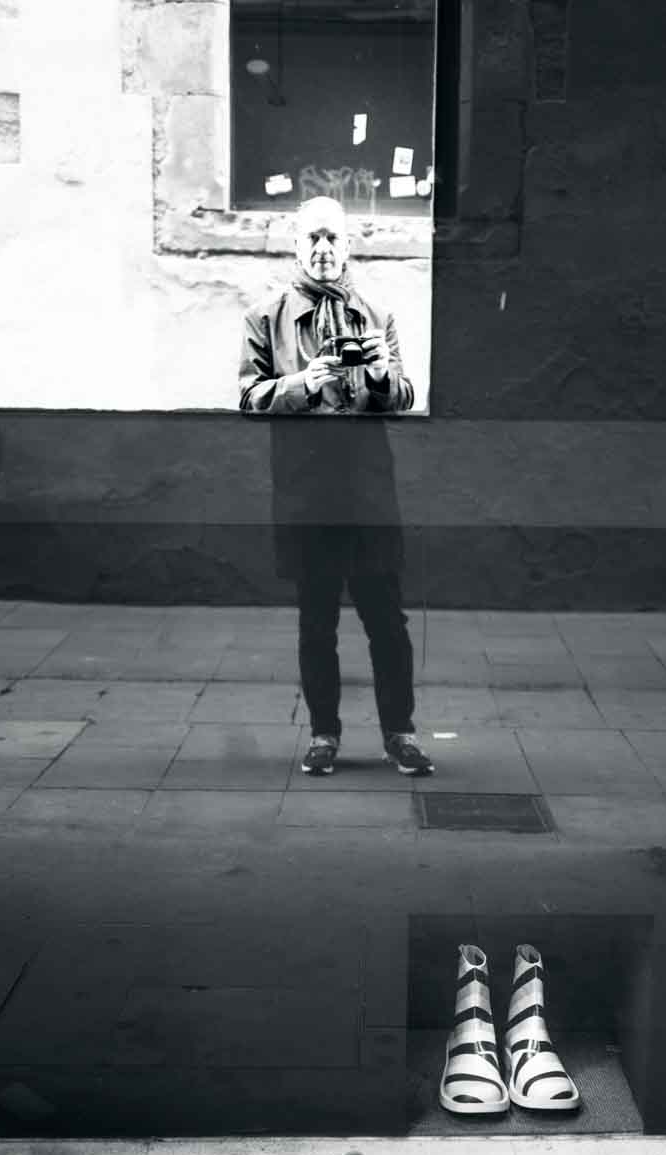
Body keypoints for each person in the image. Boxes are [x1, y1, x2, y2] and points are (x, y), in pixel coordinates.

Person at [237, 196, 434, 778]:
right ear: (295, 245)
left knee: (387, 621)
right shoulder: (263, 317)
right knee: (315, 620)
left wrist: (377, 376)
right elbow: (248, 398)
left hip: (368, 489)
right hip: (307, 489)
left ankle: (400, 733)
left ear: (348, 245)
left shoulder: (376, 313)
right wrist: (301, 383)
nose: (323, 250)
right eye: (312, 239)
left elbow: (403, 398)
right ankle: (324, 735)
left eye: (333, 239)